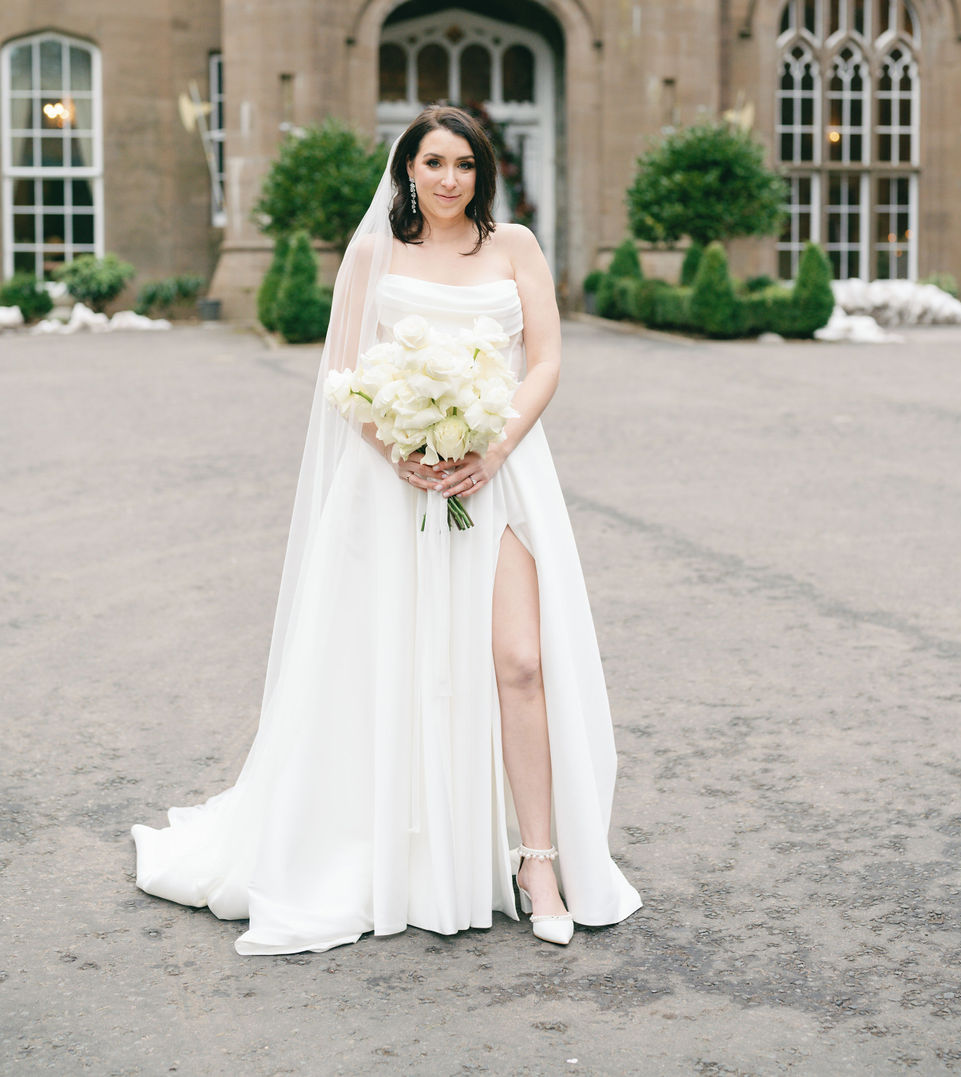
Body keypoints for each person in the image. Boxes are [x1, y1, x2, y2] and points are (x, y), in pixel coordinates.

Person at [131, 105, 642, 954]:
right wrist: (402, 446)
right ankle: (405, 853)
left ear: (485, 172)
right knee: (402, 664)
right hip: (396, 481)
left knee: (520, 660)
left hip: (502, 473)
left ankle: (539, 861)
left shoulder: (515, 246)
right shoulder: (374, 252)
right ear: (407, 170)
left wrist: (492, 440)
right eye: (433, 162)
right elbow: (343, 369)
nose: (449, 179)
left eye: (465, 164)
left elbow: (546, 358)